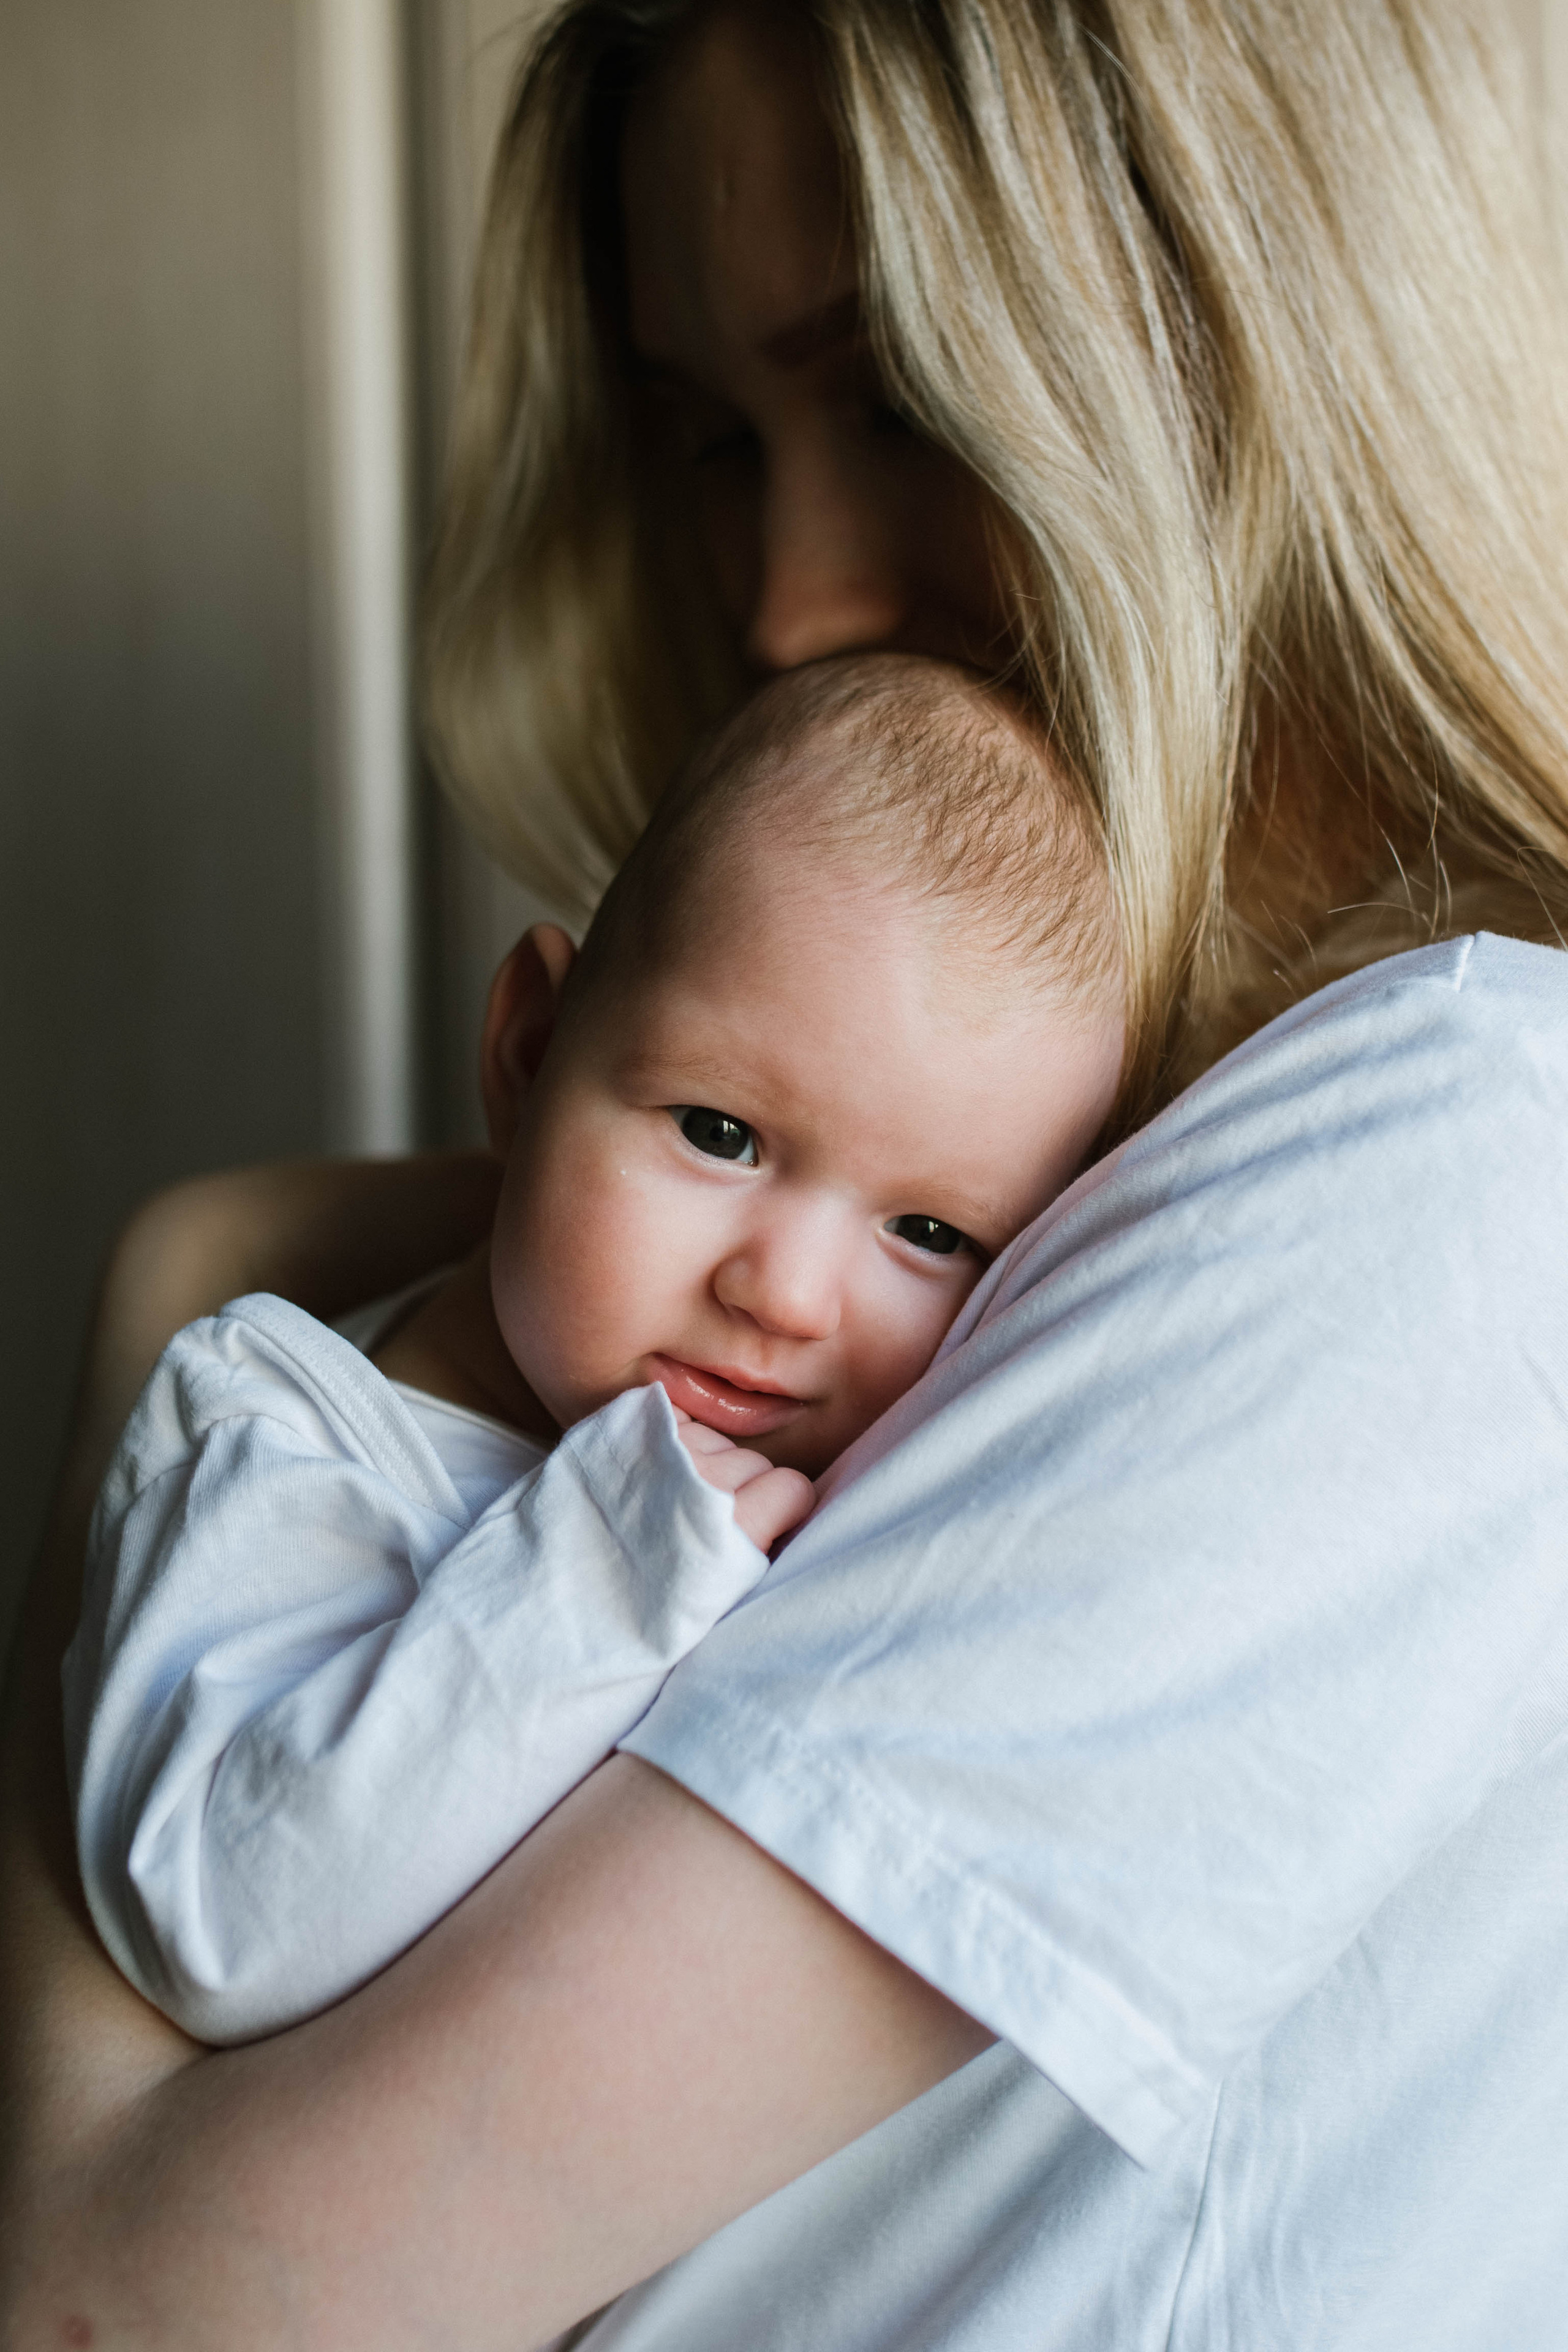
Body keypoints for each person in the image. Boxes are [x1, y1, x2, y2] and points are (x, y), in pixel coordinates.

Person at [4, 2, 1567, 2345]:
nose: (786, 603)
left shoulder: (1463, 1148)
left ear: (1267, 359)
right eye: (716, 439)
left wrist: (193, 1282)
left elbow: (127, 2309)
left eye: (909, 402)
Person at [65, 652, 1123, 2046]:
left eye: (929, 1231)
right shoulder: (280, 1433)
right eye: (719, 1133)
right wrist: (591, 1578)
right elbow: (209, 1925)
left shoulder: (853, 1494)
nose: (787, 1296)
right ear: (524, 1050)